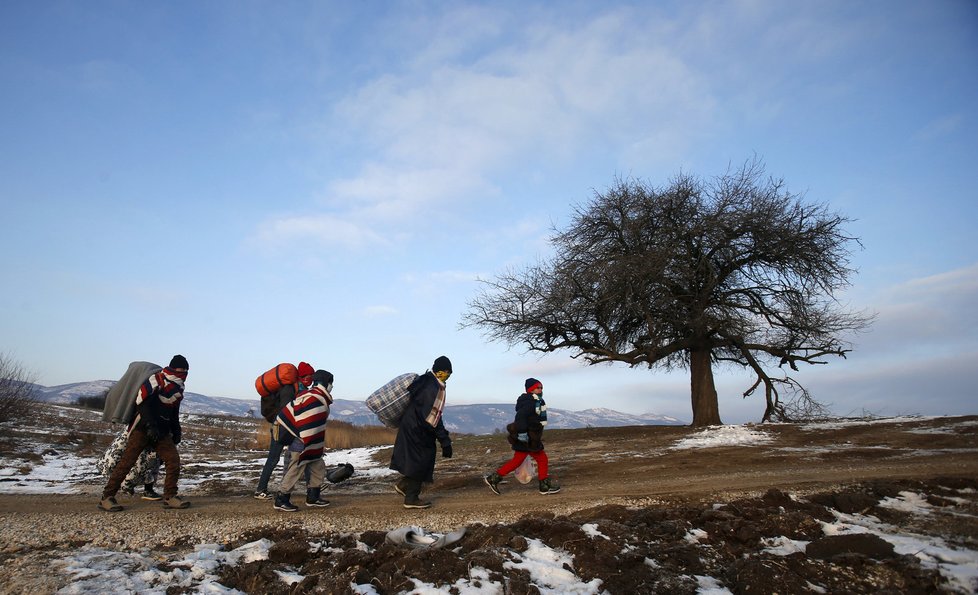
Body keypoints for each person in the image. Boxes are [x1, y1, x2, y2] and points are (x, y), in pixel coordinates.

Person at [99, 355, 192, 512]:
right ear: (172, 368)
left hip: (162, 431)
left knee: (173, 460)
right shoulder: (156, 379)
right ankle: (107, 497)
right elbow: (142, 402)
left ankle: (170, 497)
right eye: (180, 369)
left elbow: (173, 412)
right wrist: (150, 425)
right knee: (127, 462)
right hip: (142, 428)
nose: (182, 372)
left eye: (185, 370)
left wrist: (176, 431)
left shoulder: (178, 387)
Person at [389, 356, 454, 509]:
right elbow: (432, 417)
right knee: (420, 461)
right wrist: (445, 441)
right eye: (446, 372)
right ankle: (411, 498)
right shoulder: (432, 388)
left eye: (449, 372)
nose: (448, 375)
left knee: (417, 460)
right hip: (417, 430)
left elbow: (434, 416)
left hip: (413, 427)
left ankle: (404, 485)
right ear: (439, 371)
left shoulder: (429, 382)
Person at [484, 377, 560, 496]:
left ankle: (493, 478)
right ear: (531, 390)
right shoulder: (531, 402)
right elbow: (520, 418)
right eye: (537, 388)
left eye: (541, 387)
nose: (540, 390)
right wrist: (523, 434)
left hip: (529, 437)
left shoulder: (537, 402)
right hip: (527, 438)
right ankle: (544, 485)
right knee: (541, 458)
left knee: (517, 461)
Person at [273, 369, 334, 512]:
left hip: (308, 440)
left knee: (317, 465)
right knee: (296, 467)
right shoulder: (316, 398)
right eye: (331, 383)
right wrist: (308, 440)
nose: (331, 387)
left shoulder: (310, 395)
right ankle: (281, 498)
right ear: (325, 383)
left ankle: (313, 496)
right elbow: (307, 421)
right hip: (302, 440)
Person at [254, 361, 315, 499]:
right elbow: (286, 410)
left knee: (301, 455)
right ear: (304, 376)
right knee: (274, 459)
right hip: (282, 429)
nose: (310, 379)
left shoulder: (297, 388)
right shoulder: (289, 389)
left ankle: (311, 487)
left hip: (287, 429)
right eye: (309, 376)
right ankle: (261, 489)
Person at [95, 427, 163, 500]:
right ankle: (110, 493)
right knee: (127, 459)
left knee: (151, 459)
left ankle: (147, 489)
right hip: (140, 428)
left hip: (156, 430)